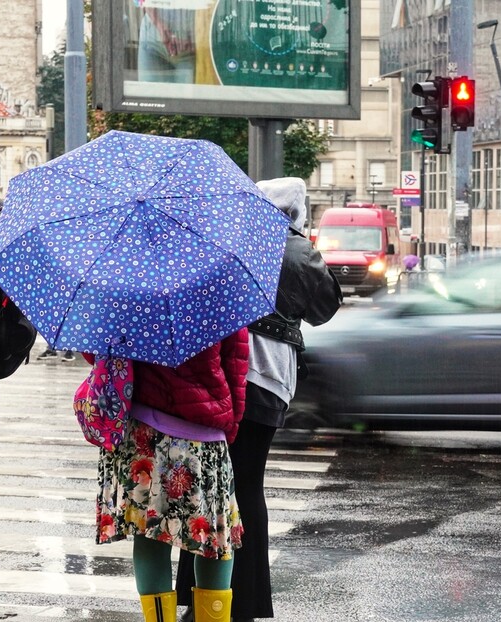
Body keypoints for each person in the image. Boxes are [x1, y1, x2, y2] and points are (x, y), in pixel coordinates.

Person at [175, 177, 342, 622]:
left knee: (206, 486)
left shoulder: (228, 238)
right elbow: (326, 309)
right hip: (268, 381)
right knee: (247, 486)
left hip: (218, 376)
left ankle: (195, 597)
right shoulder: (298, 251)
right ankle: (245, 602)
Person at [91, 327, 249, 622]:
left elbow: (95, 352)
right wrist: (230, 426)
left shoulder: (129, 286)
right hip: (205, 430)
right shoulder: (223, 288)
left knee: (151, 534)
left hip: (144, 429)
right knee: (216, 537)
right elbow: (236, 366)